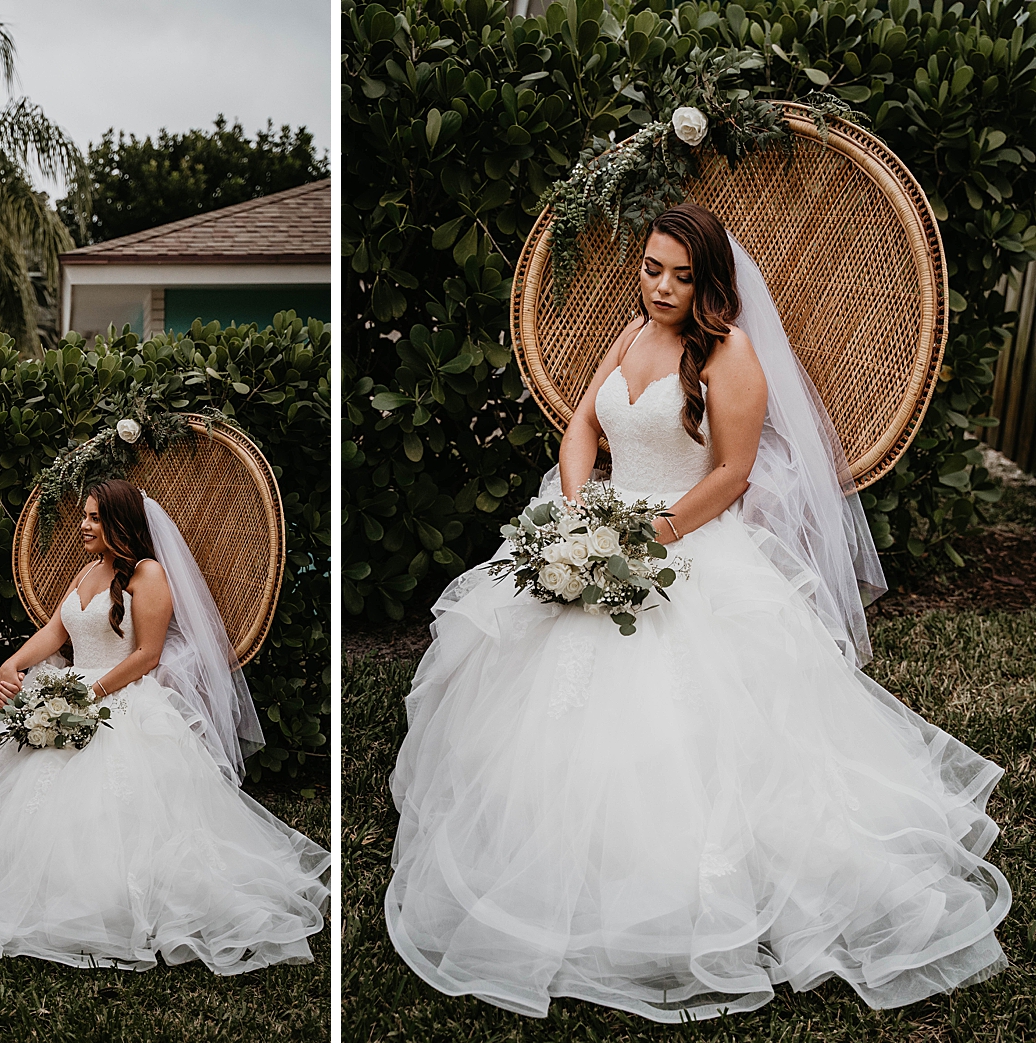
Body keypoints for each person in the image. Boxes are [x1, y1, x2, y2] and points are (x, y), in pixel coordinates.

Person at [383, 205, 1011, 1022]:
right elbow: (581, 424)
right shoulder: (631, 332)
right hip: (600, 526)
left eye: (681, 274)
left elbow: (734, 471)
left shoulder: (729, 351)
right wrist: (582, 517)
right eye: (652, 268)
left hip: (688, 540)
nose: (663, 287)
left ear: (710, 277)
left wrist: (645, 537)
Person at [0, 478, 329, 973]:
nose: (83, 526)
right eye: (84, 516)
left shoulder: (148, 574)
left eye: (93, 517)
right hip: (70, 689)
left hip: (121, 697)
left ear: (119, 522)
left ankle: (119, 902)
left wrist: (90, 695)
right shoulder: (89, 570)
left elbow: (148, 655)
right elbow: (57, 629)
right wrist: (12, 664)